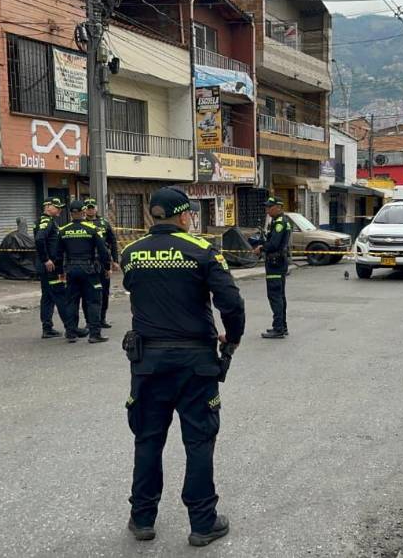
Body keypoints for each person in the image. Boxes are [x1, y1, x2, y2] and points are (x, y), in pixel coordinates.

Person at [121, 186, 244, 547]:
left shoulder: (131, 253)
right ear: (183, 215)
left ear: (153, 214)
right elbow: (231, 302)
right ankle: (203, 523)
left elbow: (134, 288)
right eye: (190, 213)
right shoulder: (203, 250)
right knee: (199, 441)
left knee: (148, 439)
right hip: (195, 363)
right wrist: (232, 337)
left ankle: (142, 518)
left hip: (148, 362)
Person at [57, 200, 111, 343]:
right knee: (93, 301)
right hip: (89, 269)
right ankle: (94, 334)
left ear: (70, 213)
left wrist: (60, 271)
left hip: (70, 269)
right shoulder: (92, 229)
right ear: (83, 212)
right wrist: (107, 268)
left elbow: (58, 254)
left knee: (71, 301)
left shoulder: (63, 230)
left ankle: (71, 333)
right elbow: (103, 251)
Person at [253, 197, 291, 338]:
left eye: (270, 207)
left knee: (275, 296)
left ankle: (278, 328)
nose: (267, 210)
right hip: (279, 262)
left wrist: (261, 248)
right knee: (280, 296)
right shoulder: (278, 221)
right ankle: (282, 326)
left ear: (278, 207)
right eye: (267, 207)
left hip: (275, 263)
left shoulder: (280, 223)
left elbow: (274, 244)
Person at [34, 197, 70, 338]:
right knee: (60, 295)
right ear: (48, 206)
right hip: (50, 268)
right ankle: (70, 327)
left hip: (47, 267)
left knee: (48, 297)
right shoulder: (46, 221)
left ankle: (47, 328)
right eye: (57, 206)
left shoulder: (49, 221)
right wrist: (46, 259)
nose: (60, 209)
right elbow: (39, 239)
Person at [83, 197, 120, 328]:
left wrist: (115, 260)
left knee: (104, 292)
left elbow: (113, 242)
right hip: (87, 262)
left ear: (96, 208)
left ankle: (102, 319)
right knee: (88, 293)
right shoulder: (81, 224)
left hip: (103, 261)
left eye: (92, 208)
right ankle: (89, 321)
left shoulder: (104, 223)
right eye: (88, 208)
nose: (90, 210)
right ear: (84, 210)